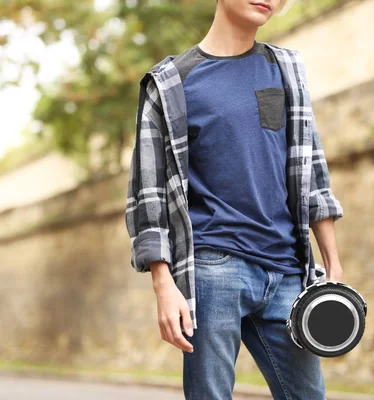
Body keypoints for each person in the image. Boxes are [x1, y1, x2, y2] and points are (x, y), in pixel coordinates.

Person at [125, 0, 344, 398]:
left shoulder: (286, 70)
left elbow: (310, 169)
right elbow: (148, 190)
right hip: (214, 270)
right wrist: (163, 283)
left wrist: (332, 261)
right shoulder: (171, 83)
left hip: (287, 274)